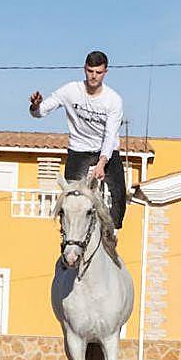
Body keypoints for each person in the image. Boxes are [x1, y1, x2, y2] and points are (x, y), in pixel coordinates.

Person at [29, 50, 129, 229]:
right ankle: (68, 233)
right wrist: (35, 106)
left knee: (119, 193)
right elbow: (41, 112)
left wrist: (102, 162)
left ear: (105, 72)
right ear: (85, 69)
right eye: (90, 71)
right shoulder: (70, 91)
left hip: (106, 150)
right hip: (79, 149)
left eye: (98, 72)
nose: (94, 76)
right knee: (71, 195)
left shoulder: (113, 100)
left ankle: (112, 232)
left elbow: (110, 134)